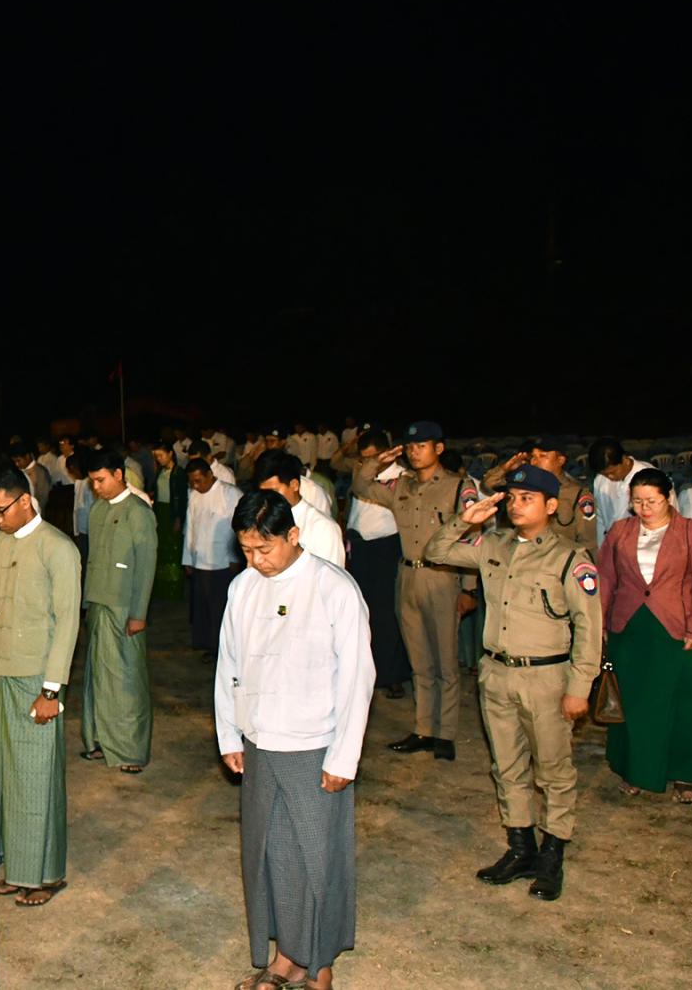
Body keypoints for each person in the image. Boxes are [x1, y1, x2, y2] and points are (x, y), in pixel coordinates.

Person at [215, 490, 375, 990]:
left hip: (314, 744)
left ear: (293, 535)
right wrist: (229, 733)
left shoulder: (333, 588)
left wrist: (344, 756)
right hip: (260, 741)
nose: (256, 561)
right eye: (247, 550)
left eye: (265, 549)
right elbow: (229, 665)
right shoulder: (242, 587)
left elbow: (357, 676)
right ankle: (286, 957)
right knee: (271, 854)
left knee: (317, 858)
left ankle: (319, 965)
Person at [422, 466, 600, 902]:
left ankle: (551, 855)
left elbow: (589, 626)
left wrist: (579, 687)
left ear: (551, 506)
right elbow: (435, 551)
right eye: (513, 498)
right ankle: (521, 848)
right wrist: (466, 519)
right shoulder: (492, 544)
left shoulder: (569, 558)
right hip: (497, 673)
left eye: (528, 498)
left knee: (553, 770)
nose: (517, 506)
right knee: (507, 766)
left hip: (547, 678)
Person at [0, 463, 81, 907]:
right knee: (6, 776)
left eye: (1, 510)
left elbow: (68, 624)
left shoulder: (58, 548)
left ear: (25, 500)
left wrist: (52, 691)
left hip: (39, 677)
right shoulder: (0, 544)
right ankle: (12, 865)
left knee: (38, 778)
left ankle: (44, 876)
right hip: (5, 673)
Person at [352, 420, 478, 760]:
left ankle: (445, 734)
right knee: (419, 660)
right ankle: (424, 729)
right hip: (407, 576)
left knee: (445, 661)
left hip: (442, 577)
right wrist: (377, 461)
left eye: (421, 446)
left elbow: (470, 536)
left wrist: (469, 588)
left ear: (439, 448)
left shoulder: (458, 486)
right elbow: (361, 486)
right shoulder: (401, 485)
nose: (414, 452)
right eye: (409, 447)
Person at [597, 467, 692, 804]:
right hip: (630, 631)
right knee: (635, 704)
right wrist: (600, 624)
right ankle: (636, 770)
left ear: (668, 498)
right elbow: (606, 578)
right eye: (637, 501)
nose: (644, 508)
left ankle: (684, 775)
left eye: (651, 500)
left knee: (684, 704)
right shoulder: (620, 531)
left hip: (679, 630)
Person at [78, 449, 157, 772]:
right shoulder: (97, 509)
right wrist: (87, 603)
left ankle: (130, 750)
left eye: (101, 480)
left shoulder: (138, 512)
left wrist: (139, 614)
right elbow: (93, 560)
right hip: (98, 604)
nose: (96, 487)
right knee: (97, 678)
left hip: (124, 608)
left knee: (126, 680)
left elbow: (146, 566)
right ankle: (99, 741)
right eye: (92, 482)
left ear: (118, 475)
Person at [343, 430, 409, 699]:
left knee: (386, 613)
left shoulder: (403, 478)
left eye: (374, 457)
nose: (369, 462)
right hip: (360, 547)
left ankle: (392, 675)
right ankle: (365, 672)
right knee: (362, 612)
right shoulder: (361, 473)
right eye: (364, 457)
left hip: (387, 547)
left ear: (386, 453)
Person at [481, 440, 598, 551]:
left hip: (558, 559)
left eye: (542, 456)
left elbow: (588, 541)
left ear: (560, 460)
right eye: (533, 457)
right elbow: (487, 486)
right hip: (521, 555)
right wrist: (505, 468)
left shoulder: (577, 493)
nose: (534, 462)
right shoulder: (522, 486)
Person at [182, 458, 243, 656]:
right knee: (203, 609)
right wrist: (187, 559)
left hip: (222, 562)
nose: (195, 485)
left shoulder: (230, 494)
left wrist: (235, 557)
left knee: (220, 609)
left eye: (198, 480)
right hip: (199, 560)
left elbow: (238, 529)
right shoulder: (194, 495)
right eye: (192, 481)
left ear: (210, 475)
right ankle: (207, 646)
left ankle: (222, 650)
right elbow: (190, 526)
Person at [255, 451, 344, 568]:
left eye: (274, 491)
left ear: (294, 485)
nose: (268, 498)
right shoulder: (260, 519)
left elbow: (332, 575)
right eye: (263, 493)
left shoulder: (323, 527)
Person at [588, 437, 660, 546]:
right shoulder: (600, 481)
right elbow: (600, 517)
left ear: (624, 459)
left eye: (613, 472)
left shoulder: (651, 478)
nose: (610, 477)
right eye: (605, 474)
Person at [148, 441, 187, 602]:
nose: (159, 459)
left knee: (173, 551)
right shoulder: (160, 472)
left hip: (172, 513)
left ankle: (174, 589)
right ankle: (162, 588)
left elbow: (181, 497)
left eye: (161, 455)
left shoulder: (179, 473)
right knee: (162, 550)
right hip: (161, 512)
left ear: (170, 453)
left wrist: (178, 518)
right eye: (156, 456)